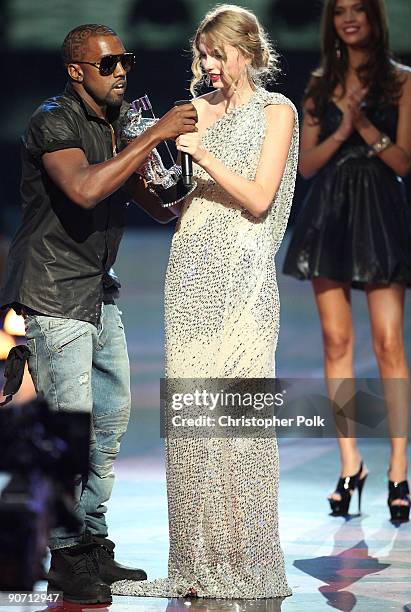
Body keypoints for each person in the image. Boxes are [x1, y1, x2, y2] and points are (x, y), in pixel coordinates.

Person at [0, 24, 197, 604]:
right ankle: (64, 555)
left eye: (126, 61)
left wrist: (180, 165)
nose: (121, 72)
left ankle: (91, 543)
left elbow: (157, 207)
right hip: (54, 292)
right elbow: (85, 190)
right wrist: (154, 131)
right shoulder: (52, 121)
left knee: (108, 425)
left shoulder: (117, 127)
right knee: (69, 430)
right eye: (108, 63)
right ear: (76, 71)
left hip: (96, 290)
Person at [112, 4, 298, 599]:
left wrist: (203, 152)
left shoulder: (278, 112)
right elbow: (179, 204)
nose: (210, 65)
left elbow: (260, 198)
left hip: (244, 277)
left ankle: (248, 559)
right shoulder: (194, 113)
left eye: (220, 54)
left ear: (248, 51)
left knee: (239, 421)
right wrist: (160, 167)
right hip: (191, 268)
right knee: (193, 422)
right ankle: (197, 560)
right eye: (203, 55)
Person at [283, 0, 411, 521]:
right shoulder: (319, 85)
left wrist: (362, 126)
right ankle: (349, 463)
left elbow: (404, 161)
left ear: (374, 18)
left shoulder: (402, 81)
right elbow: (306, 167)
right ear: (331, 22)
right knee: (336, 342)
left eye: (358, 9)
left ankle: (399, 469)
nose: (349, 18)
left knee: (388, 344)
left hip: (381, 210)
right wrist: (342, 126)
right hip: (329, 213)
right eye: (340, 11)